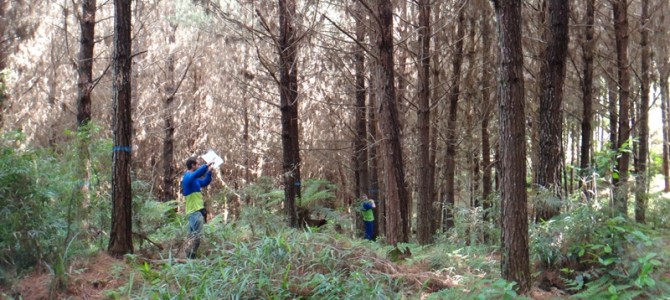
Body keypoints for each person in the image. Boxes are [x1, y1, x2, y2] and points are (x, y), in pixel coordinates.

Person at [181, 157, 213, 258]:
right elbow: (196, 174)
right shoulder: (187, 177)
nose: (199, 166)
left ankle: (188, 258)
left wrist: (209, 172)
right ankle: (191, 258)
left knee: (192, 236)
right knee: (197, 237)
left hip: (197, 211)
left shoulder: (195, 179)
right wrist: (206, 166)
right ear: (192, 165)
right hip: (194, 212)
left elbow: (204, 182)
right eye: (197, 165)